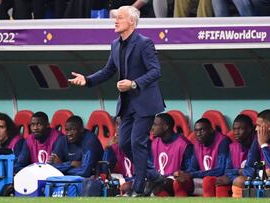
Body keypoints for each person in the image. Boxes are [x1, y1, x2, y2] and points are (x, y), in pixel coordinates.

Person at [68, 5, 165, 197]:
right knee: (124, 144)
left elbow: (155, 71)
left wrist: (134, 84)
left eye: (120, 17)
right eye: (115, 17)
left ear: (131, 21)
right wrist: (87, 80)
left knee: (138, 142)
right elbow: (108, 71)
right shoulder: (115, 44)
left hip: (145, 101)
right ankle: (154, 175)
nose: (115, 20)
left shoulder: (144, 43)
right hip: (127, 104)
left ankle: (138, 188)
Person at [173, 118, 230, 197]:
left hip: (218, 180)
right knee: (178, 182)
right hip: (201, 179)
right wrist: (183, 173)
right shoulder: (197, 143)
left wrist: (191, 175)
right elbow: (193, 168)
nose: (198, 134)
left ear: (211, 130)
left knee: (207, 181)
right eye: (196, 131)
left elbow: (221, 170)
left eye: (201, 130)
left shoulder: (223, 141)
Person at [150, 113, 193, 196]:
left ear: (166, 127)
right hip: (159, 179)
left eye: (155, 125)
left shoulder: (184, 144)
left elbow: (190, 170)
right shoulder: (154, 143)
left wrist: (179, 174)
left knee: (163, 183)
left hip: (176, 180)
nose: (152, 128)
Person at [216, 114, 255, 198]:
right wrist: (237, 174)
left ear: (249, 129)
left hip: (257, 182)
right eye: (234, 129)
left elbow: (254, 172)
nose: (236, 132)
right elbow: (227, 171)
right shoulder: (232, 147)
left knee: (239, 181)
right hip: (238, 180)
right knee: (220, 182)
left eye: (240, 129)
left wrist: (235, 176)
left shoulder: (257, 145)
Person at [102, 117, 134, 195]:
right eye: (117, 124)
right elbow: (105, 170)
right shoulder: (114, 146)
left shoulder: (142, 144)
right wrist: (108, 149)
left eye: (122, 124)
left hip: (141, 181)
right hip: (123, 180)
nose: (119, 127)